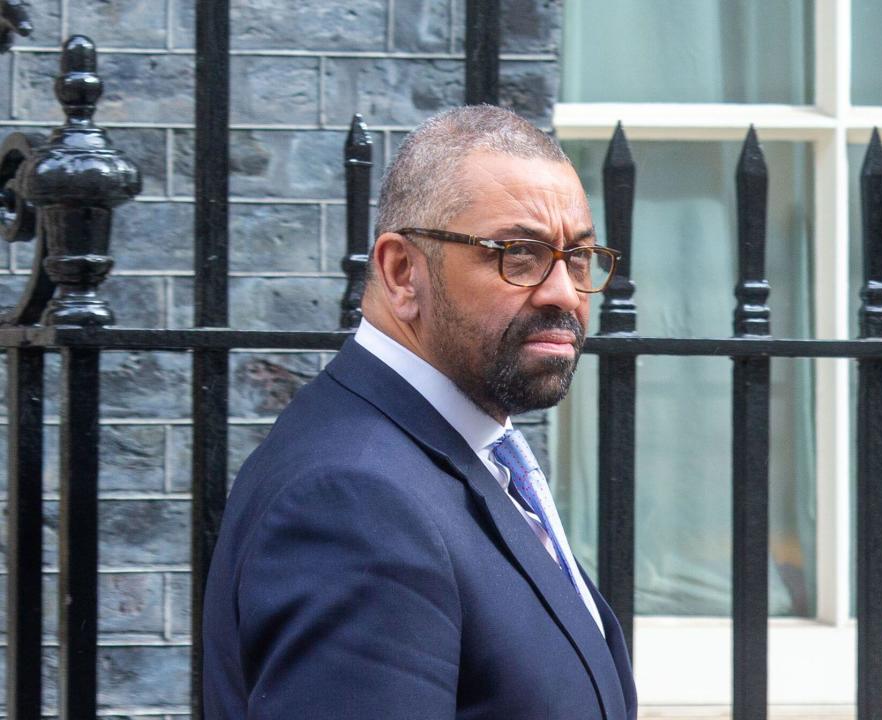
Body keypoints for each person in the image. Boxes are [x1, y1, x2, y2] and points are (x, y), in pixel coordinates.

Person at [202, 105, 637, 719]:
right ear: (402, 272)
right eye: (517, 252)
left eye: (580, 257)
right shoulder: (354, 500)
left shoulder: (462, 452)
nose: (564, 290)